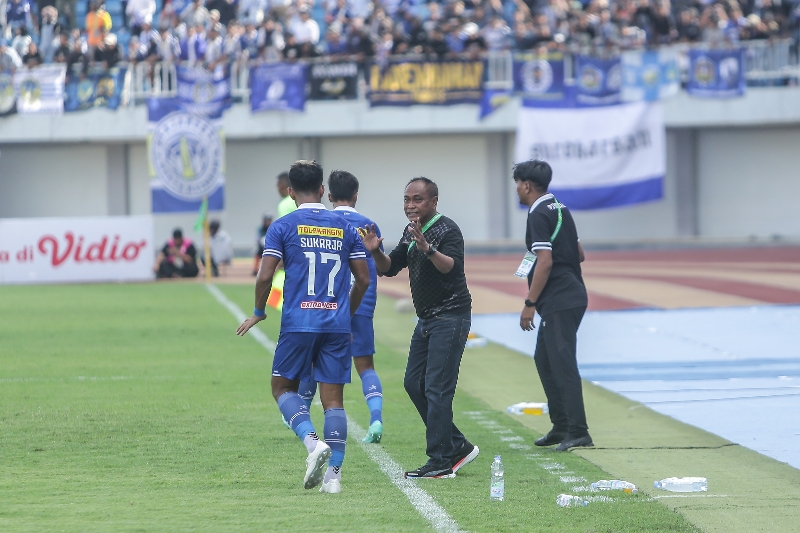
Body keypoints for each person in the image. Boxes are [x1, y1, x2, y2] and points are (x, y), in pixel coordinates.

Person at [236, 160, 370, 494]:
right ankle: (334, 478)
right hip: (336, 324)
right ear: (323, 190)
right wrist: (345, 313)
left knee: (282, 388)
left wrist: (258, 311)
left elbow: (266, 274)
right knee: (334, 401)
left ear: (291, 191)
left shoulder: (282, 226)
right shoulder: (345, 226)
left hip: (299, 321)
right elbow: (363, 279)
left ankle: (313, 443)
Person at [361, 177, 479, 479]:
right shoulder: (410, 231)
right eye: (406, 200)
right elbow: (390, 267)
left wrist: (427, 248)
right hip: (427, 319)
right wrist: (375, 251)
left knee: (437, 388)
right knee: (414, 384)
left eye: (417, 199)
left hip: (451, 317)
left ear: (434, 202)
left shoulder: (447, 229)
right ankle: (458, 446)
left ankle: (440, 462)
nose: (410, 205)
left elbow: (452, 268)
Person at [295, 170, 386, 444]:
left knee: (313, 364)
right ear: (356, 195)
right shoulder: (369, 225)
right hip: (363, 304)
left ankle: (299, 413)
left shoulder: (328, 223)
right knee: (366, 366)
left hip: (329, 305)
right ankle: (376, 419)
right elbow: (375, 267)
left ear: (329, 195)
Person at [513, 159, 592, 452]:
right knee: (545, 360)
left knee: (562, 364)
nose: (517, 191)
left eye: (517, 185)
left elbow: (544, 261)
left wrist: (529, 303)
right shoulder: (560, 208)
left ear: (526, 185)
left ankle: (579, 430)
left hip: (560, 300)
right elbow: (579, 253)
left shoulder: (537, 214)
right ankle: (561, 426)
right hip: (570, 295)